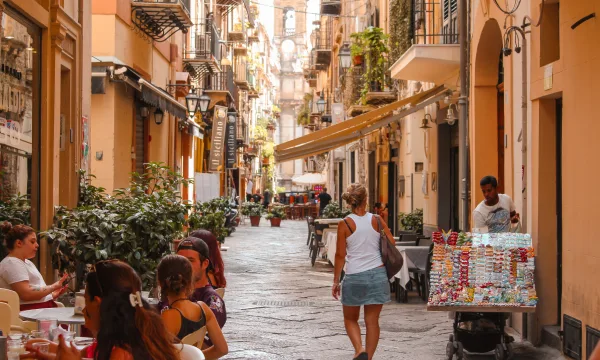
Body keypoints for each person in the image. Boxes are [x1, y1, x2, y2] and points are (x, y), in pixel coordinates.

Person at [27, 260, 180, 360]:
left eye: (86, 300)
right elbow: (82, 354)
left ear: (98, 303)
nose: (85, 309)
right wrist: (44, 348)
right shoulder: (133, 335)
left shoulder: (122, 353)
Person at [332, 184, 394, 360]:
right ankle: (369, 357)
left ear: (350, 202)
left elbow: (340, 255)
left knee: (350, 319)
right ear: (366, 200)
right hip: (377, 275)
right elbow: (391, 243)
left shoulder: (344, 224)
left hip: (354, 276)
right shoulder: (377, 219)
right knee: (372, 321)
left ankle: (359, 350)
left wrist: (336, 281)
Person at [157, 254, 228, 358]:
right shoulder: (203, 308)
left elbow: (157, 355)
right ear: (190, 281)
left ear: (160, 283)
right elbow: (222, 350)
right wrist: (194, 356)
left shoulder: (169, 316)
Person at [166, 235, 226, 344]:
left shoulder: (212, 301)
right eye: (180, 261)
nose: (183, 267)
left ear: (205, 264)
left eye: (190, 260)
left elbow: (208, 346)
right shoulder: (170, 291)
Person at [0, 222, 68, 310]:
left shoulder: (27, 262)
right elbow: (26, 294)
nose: (37, 245)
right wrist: (53, 287)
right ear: (19, 243)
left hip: (39, 310)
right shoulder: (12, 263)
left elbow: (34, 292)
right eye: (32, 241)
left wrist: (53, 294)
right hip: (28, 315)